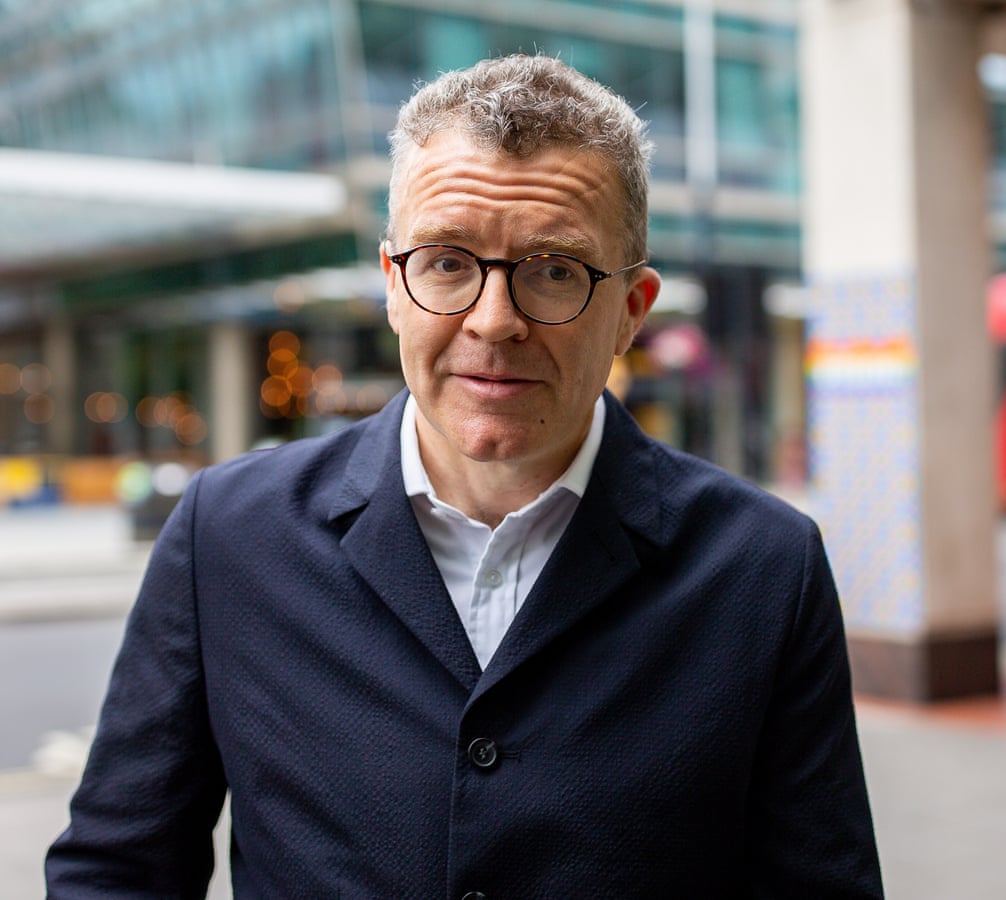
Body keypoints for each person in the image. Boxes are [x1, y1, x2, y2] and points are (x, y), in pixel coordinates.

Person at [46, 54, 883, 898]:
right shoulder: (227, 535)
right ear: (391, 287)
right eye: (447, 262)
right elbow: (119, 871)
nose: (494, 321)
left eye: (556, 271)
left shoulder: (764, 568)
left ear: (633, 310)